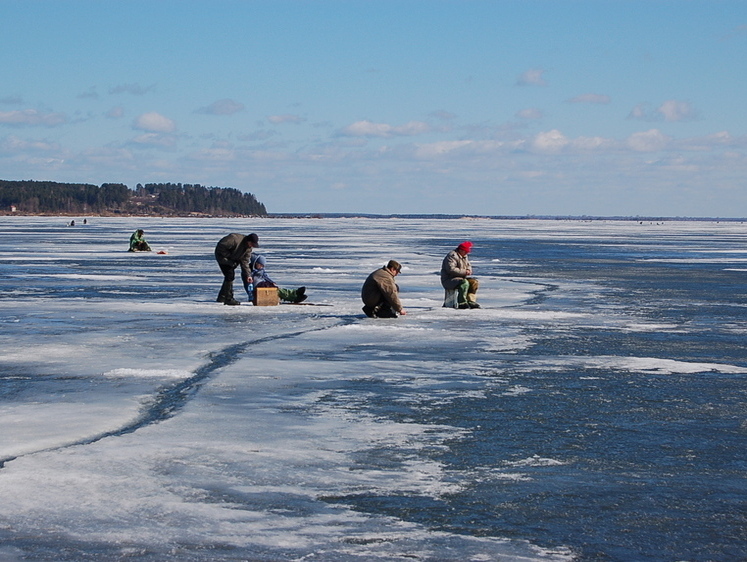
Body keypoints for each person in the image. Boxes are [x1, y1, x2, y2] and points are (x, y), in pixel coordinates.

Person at [214, 232, 259, 305]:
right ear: (248, 241)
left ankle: (222, 297)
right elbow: (220, 247)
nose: (252, 246)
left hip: (233, 259)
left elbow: (245, 262)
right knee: (230, 275)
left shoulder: (248, 248)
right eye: (252, 244)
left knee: (229, 276)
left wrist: (248, 275)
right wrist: (229, 256)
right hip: (222, 257)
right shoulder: (234, 239)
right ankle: (228, 299)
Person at [441, 241, 480, 309]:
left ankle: (471, 301)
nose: (466, 253)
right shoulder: (452, 256)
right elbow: (451, 269)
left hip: (460, 278)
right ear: (461, 250)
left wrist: (468, 270)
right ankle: (461, 302)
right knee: (464, 283)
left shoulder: (464, 256)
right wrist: (464, 272)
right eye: (465, 251)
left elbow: (468, 265)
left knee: (474, 282)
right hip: (449, 280)